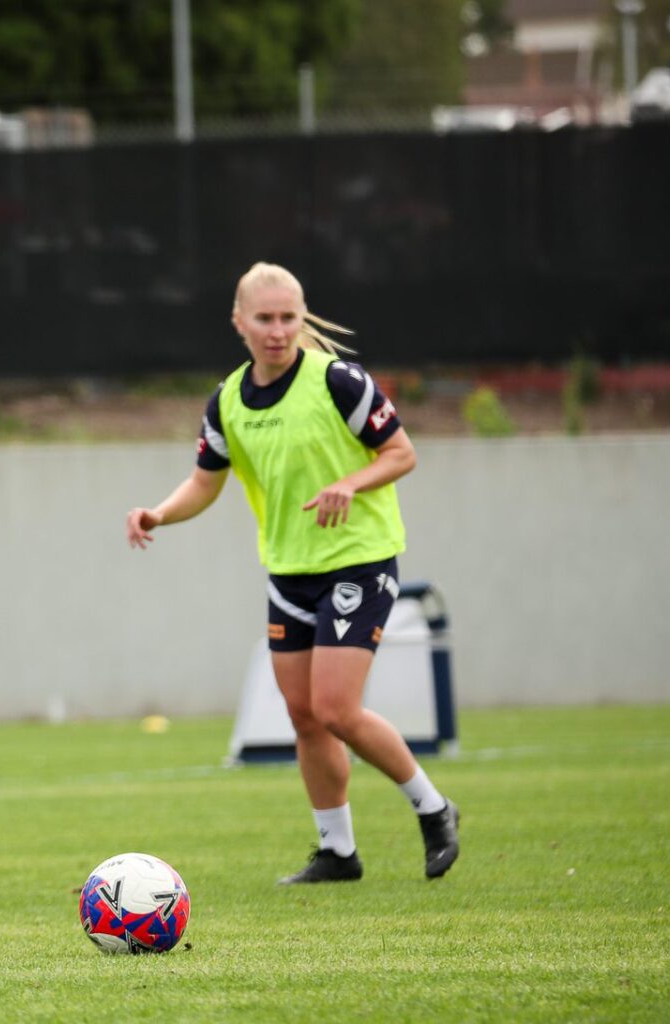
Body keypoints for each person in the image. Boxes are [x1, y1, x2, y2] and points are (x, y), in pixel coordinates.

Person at [125, 262, 459, 885]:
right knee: (303, 714)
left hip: (358, 558)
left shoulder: (338, 381)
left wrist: (348, 485)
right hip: (290, 572)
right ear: (239, 322)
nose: (278, 331)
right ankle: (338, 852)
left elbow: (401, 453)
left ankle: (435, 809)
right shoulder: (227, 401)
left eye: (288, 318)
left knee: (335, 707)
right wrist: (159, 513)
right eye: (265, 319)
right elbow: (205, 482)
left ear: (302, 318)